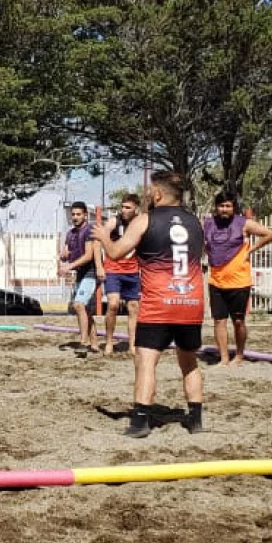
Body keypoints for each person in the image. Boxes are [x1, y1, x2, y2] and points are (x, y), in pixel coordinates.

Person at [93, 171, 205, 438]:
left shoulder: (146, 219)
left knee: (146, 360)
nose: (146, 196)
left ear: (158, 194)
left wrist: (104, 235)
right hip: (191, 300)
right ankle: (196, 418)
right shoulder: (196, 222)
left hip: (159, 303)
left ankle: (140, 421)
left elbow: (117, 252)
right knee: (189, 361)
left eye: (149, 191)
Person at [203, 191, 272, 366]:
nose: (224, 209)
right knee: (219, 320)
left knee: (238, 321)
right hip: (216, 280)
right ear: (216, 207)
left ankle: (240, 355)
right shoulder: (207, 223)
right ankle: (223, 358)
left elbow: (270, 234)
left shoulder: (244, 223)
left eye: (228, 206)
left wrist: (251, 250)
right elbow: (199, 240)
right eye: (221, 206)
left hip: (239, 281)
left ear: (233, 207)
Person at [58, 201, 103, 352]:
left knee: (78, 305)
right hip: (80, 273)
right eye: (73, 214)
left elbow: (88, 255)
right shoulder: (70, 234)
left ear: (85, 215)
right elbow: (65, 254)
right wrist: (63, 257)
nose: (75, 217)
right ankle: (95, 344)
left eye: (78, 214)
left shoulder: (89, 230)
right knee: (84, 309)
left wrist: (68, 267)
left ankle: (84, 342)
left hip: (91, 271)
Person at [103, 194, 142, 356]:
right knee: (113, 304)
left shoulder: (140, 222)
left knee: (133, 308)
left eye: (128, 207)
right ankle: (109, 342)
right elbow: (99, 238)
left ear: (136, 209)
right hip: (113, 270)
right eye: (123, 207)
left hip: (132, 271)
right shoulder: (114, 221)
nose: (124, 210)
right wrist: (99, 266)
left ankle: (132, 344)